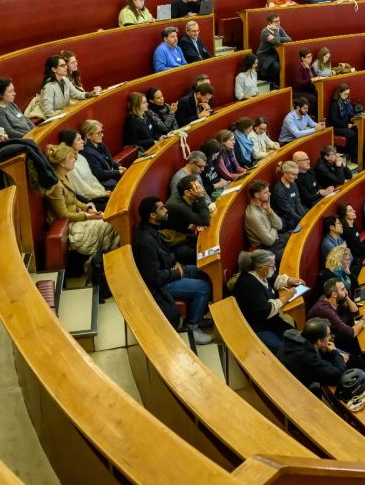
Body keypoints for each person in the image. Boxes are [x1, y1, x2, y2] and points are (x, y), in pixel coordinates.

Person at [132, 197, 213, 344]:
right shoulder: (145, 241)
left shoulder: (152, 229)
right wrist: (177, 273)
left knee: (205, 271)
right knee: (203, 287)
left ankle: (197, 315)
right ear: (153, 215)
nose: (166, 209)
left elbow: (166, 253)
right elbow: (154, 277)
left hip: (170, 270)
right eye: (162, 208)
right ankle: (192, 327)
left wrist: (176, 263)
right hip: (162, 284)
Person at [43, 143, 120, 260]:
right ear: (62, 163)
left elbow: (74, 200)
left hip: (79, 218)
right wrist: (87, 216)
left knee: (114, 221)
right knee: (111, 225)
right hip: (71, 226)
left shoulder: (65, 176)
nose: (75, 159)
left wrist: (88, 209)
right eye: (71, 158)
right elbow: (63, 215)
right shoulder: (56, 186)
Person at [231, 249, 300, 354]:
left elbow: (273, 279)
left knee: (298, 338)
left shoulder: (259, 274)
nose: (275, 269)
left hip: (271, 321)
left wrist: (289, 281)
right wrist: (286, 298)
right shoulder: (249, 284)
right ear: (260, 267)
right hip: (257, 327)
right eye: (272, 266)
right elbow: (265, 311)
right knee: (281, 349)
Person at [277, 318, 348, 389]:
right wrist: (335, 353)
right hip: (295, 389)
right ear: (319, 341)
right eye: (328, 335)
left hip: (284, 375)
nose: (330, 337)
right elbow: (338, 376)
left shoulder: (293, 335)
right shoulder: (307, 358)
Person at [307, 277, 365, 354]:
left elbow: (355, 312)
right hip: (322, 346)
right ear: (334, 294)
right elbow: (351, 333)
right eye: (343, 289)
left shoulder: (332, 298)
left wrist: (345, 295)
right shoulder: (326, 311)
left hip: (332, 334)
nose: (346, 291)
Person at [58, 130, 110, 209]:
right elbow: (82, 191)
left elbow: (92, 179)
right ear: (70, 143)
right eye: (78, 139)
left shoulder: (81, 157)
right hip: (88, 201)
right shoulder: (70, 166)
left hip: (97, 193)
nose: (83, 141)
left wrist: (103, 191)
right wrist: (103, 194)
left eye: (81, 138)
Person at [244, 179, 288, 262]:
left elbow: (279, 225)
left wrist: (269, 210)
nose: (270, 194)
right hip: (265, 249)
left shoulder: (264, 204)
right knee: (291, 251)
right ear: (257, 195)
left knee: (298, 232)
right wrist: (273, 227)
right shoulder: (253, 215)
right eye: (266, 192)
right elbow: (269, 241)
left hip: (276, 239)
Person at [79, 119, 125, 189]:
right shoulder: (87, 152)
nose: (102, 135)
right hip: (102, 182)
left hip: (110, 174)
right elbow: (99, 174)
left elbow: (108, 160)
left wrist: (118, 166)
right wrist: (118, 172)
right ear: (88, 136)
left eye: (102, 132)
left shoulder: (100, 144)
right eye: (98, 133)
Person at [256, 13, 291, 86]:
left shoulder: (279, 28)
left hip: (275, 55)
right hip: (264, 56)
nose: (278, 23)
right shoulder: (265, 32)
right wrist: (275, 31)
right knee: (276, 66)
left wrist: (277, 37)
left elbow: (289, 39)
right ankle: (270, 83)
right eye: (276, 21)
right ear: (269, 22)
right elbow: (277, 42)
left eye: (279, 21)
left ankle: (279, 83)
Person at [328, 84, 360, 159]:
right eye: (345, 94)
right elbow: (334, 119)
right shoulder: (335, 104)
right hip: (337, 127)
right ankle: (353, 155)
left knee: (358, 129)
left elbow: (350, 114)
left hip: (346, 124)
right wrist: (346, 125)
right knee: (352, 134)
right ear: (339, 93)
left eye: (348, 94)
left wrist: (355, 117)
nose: (347, 96)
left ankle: (358, 153)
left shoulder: (347, 102)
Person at [337, 202, 365, 267]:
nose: (354, 211)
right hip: (357, 259)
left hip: (361, 252)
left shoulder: (353, 224)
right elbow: (353, 249)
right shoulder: (346, 231)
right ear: (345, 214)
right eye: (350, 211)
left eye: (353, 209)